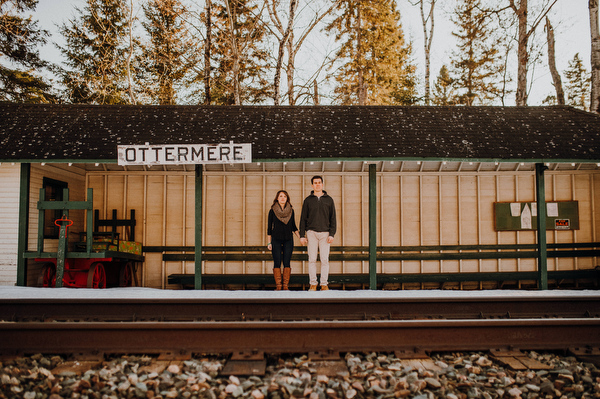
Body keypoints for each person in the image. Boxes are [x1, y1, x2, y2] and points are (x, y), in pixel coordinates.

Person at [299, 176, 337, 291]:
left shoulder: (329, 200)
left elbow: (333, 218)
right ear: (312, 185)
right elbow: (303, 219)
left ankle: (324, 284)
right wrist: (301, 235)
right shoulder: (308, 200)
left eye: (319, 183)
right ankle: (313, 284)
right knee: (312, 259)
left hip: (325, 233)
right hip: (311, 233)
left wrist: (332, 234)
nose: (317, 185)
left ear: (322, 184)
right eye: (315, 183)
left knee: (324, 259)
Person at [267, 190, 300, 290]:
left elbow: (294, 226)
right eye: (280, 196)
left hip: (288, 240)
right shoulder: (272, 211)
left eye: (285, 196)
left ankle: (285, 286)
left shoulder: (291, 211)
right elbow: (269, 228)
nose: (282, 198)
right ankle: (278, 286)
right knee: (276, 262)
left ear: (287, 199)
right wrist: (269, 242)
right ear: (277, 198)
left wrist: (301, 237)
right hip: (276, 239)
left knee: (287, 262)